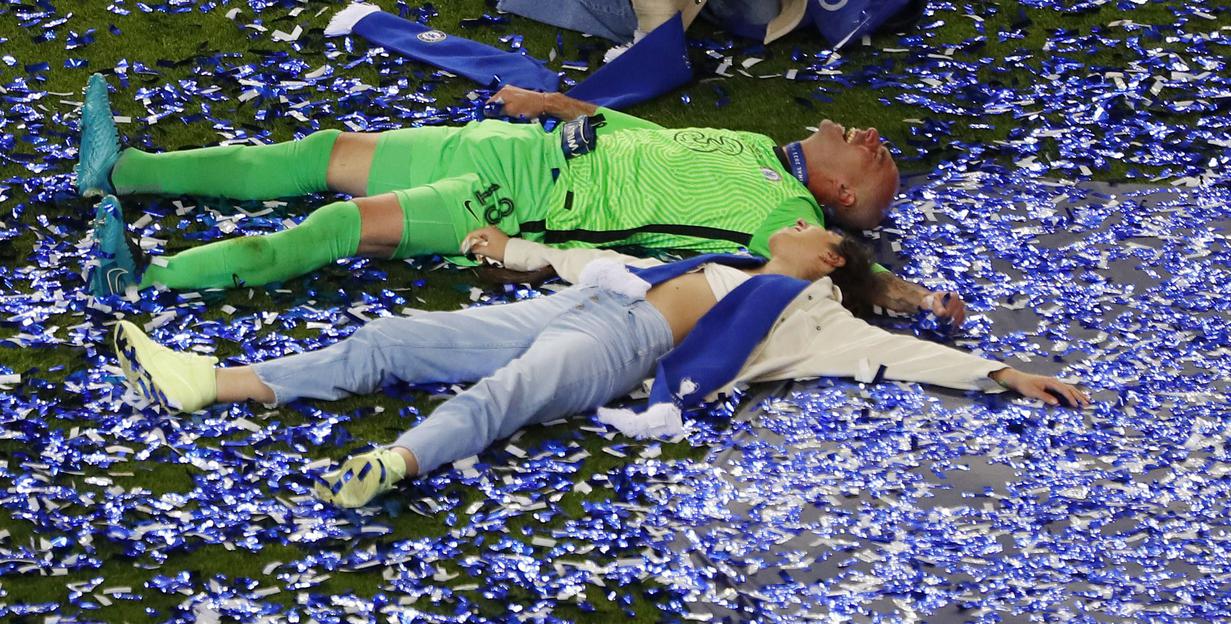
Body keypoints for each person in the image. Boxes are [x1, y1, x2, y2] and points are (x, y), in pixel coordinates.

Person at [110, 221, 1088, 509]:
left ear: (828, 254)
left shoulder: (816, 314)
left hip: (628, 348)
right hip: (591, 302)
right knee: (393, 340)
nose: (785, 223)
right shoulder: (731, 264)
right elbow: (602, 264)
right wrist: (517, 252)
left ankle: (392, 464)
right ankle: (205, 380)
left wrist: (1002, 372)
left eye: (804, 224)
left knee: (507, 396)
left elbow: (897, 352)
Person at [76, 74, 966, 326]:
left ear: (839, 195)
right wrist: (557, 105)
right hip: (523, 144)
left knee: (338, 226)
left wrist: (916, 298)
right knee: (321, 154)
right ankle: (124, 174)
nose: (868, 135)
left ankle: (146, 278)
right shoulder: (748, 144)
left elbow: (854, 273)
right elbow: (635, 134)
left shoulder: (788, 220)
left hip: (519, 199)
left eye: (874, 158)